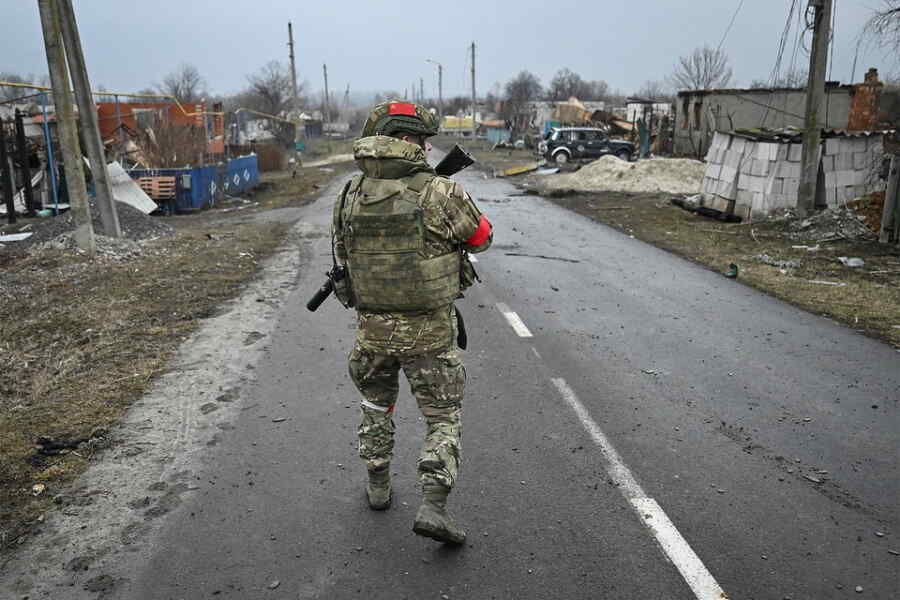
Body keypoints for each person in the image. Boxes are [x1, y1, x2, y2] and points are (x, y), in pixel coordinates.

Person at [331, 100, 492, 544]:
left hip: (372, 333)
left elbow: (341, 260)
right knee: (441, 417)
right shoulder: (442, 192)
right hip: (430, 334)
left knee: (376, 406)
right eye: (421, 139)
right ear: (404, 139)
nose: (425, 147)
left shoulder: (349, 194)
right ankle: (434, 506)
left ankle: (378, 487)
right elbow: (482, 238)